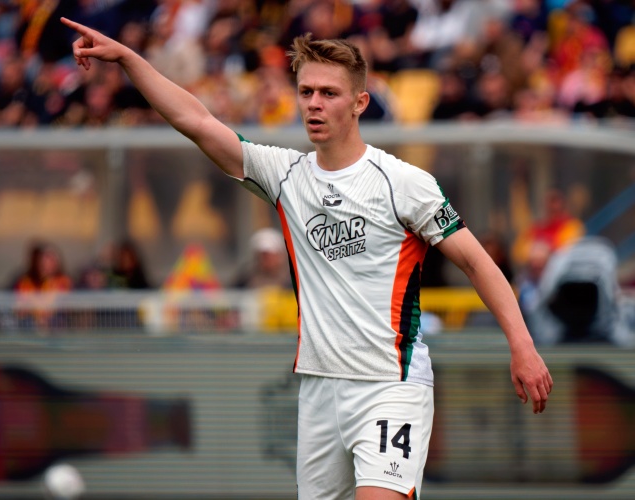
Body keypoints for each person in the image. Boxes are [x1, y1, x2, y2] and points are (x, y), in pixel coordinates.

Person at [61, 18, 553, 500]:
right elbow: (196, 121)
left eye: (329, 93)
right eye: (306, 92)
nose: (314, 103)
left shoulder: (403, 183)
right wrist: (127, 58)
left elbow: (477, 263)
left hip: (390, 385)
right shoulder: (285, 175)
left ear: (360, 103)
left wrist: (522, 345)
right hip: (318, 392)